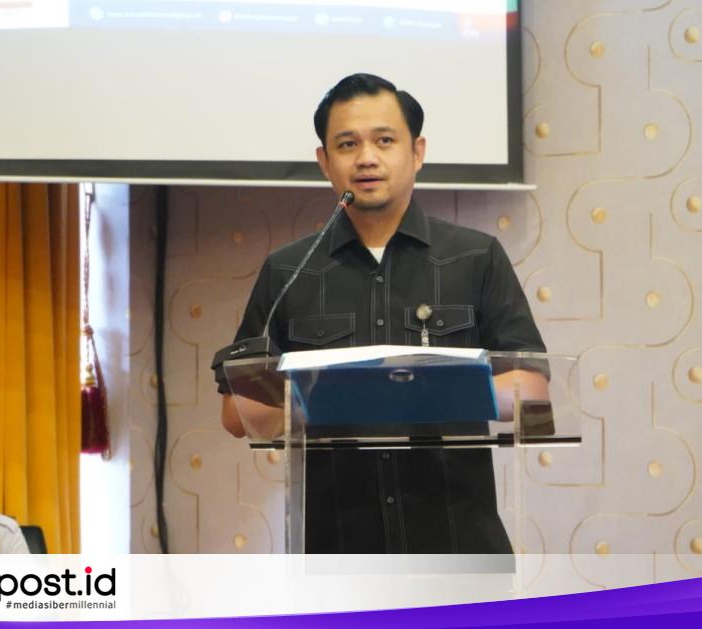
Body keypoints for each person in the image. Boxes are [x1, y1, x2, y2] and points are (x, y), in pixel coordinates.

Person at [216, 73, 546, 553]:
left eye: (384, 141)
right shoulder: (289, 270)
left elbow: (532, 390)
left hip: (459, 546)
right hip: (337, 553)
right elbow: (238, 413)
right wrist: (322, 401)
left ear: (417, 152)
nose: (366, 157)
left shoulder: (476, 257)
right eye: (347, 144)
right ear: (325, 162)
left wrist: (424, 393)